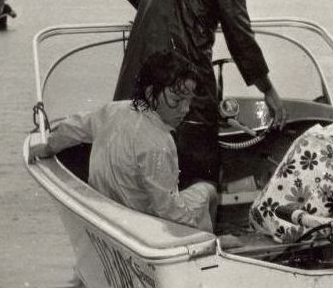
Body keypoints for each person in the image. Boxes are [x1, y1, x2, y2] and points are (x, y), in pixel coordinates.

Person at [114, 0, 287, 190]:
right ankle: (198, 226)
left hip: (143, 71)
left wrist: (163, 16)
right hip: (186, 75)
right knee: (199, 159)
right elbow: (239, 32)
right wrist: (268, 90)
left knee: (143, 143)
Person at [28, 50, 217, 232]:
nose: (185, 110)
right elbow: (169, 212)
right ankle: (211, 244)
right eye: (177, 100)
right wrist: (198, 231)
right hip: (146, 225)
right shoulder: (159, 142)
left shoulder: (113, 110)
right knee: (208, 190)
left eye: (188, 101)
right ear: (151, 94)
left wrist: (48, 147)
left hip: (109, 213)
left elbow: (73, 128)